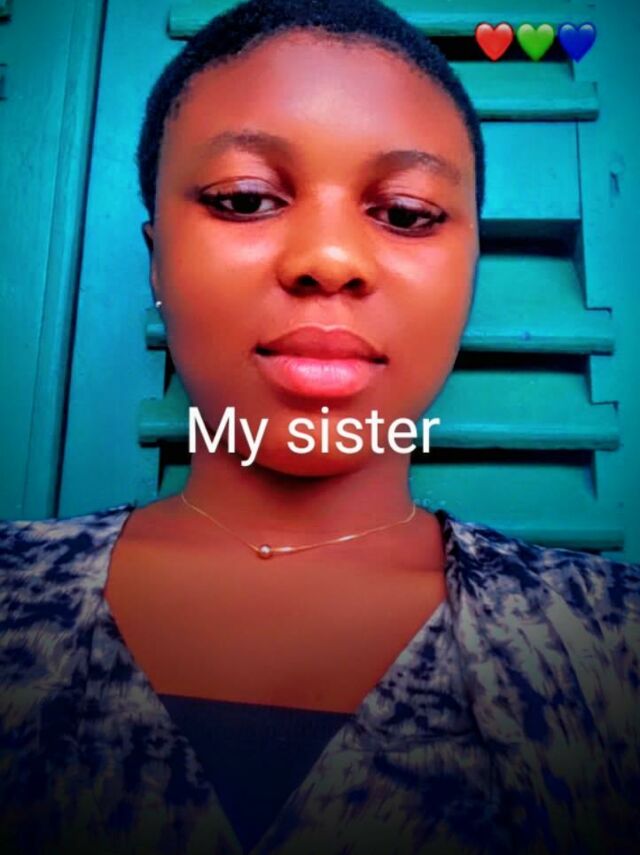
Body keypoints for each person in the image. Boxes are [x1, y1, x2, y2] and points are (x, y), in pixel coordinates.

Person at [1, 1, 639, 853]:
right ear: (155, 259)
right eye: (244, 199)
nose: (328, 259)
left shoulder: (613, 644)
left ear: (470, 271)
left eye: (406, 213)